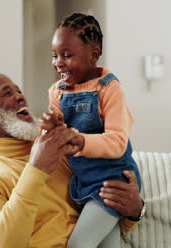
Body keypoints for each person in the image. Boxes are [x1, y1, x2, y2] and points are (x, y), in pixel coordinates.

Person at [0, 73, 144, 248]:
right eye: (7, 93)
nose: (21, 97)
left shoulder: (63, 146)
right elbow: (0, 243)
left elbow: (99, 218)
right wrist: (36, 169)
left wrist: (133, 211)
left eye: (19, 91)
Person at [47, 13, 141, 248]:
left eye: (67, 56)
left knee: (79, 244)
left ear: (93, 56)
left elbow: (118, 142)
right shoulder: (57, 92)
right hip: (84, 181)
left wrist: (80, 141)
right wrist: (51, 129)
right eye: (55, 55)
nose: (58, 62)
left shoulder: (109, 89)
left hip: (112, 181)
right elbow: (58, 135)